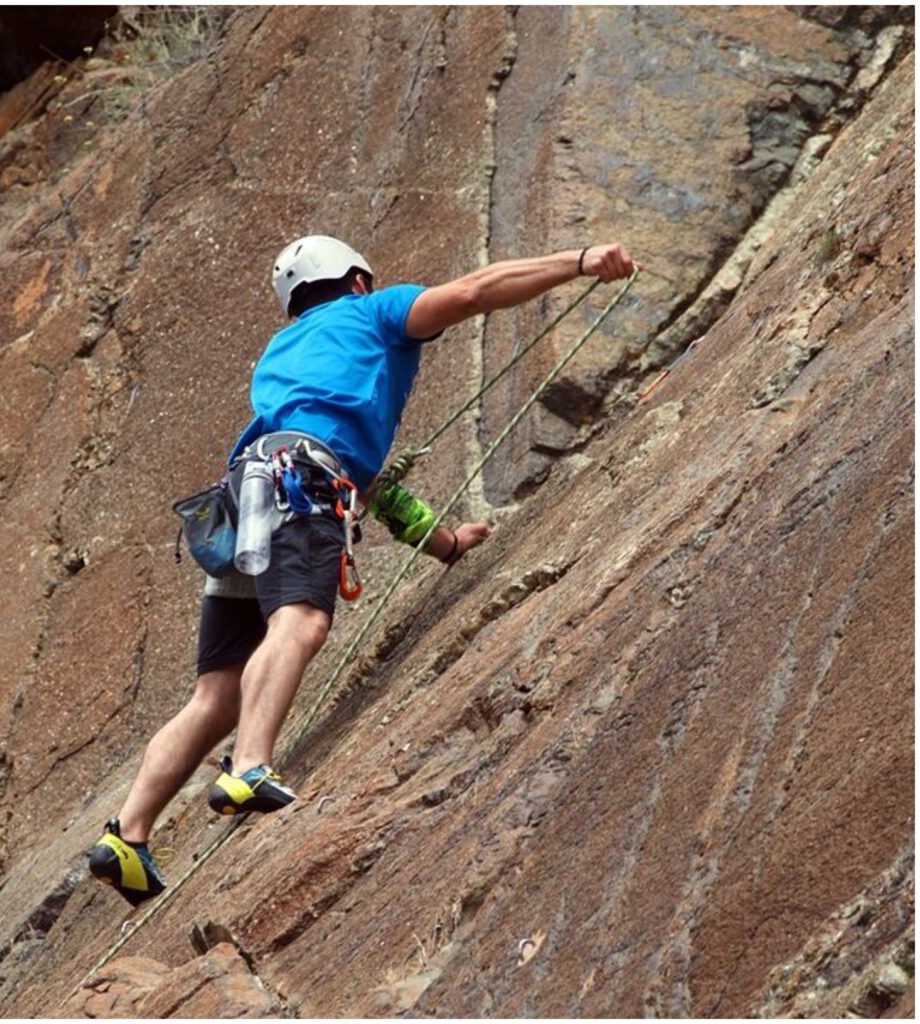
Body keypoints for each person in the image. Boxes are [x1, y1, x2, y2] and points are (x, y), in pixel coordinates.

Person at [90, 236, 640, 904]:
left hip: (246, 494)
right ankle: (249, 767)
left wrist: (446, 545)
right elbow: (472, 291)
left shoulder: (284, 353)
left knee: (216, 692)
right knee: (301, 621)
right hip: (301, 484)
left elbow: (366, 484)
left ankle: (128, 833)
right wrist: (578, 263)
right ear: (355, 279)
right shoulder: (372, 312)